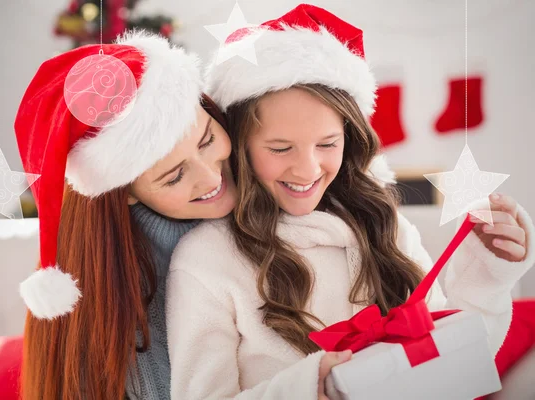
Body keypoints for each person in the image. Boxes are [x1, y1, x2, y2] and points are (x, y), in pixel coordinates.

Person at [166, 5, 535, 399]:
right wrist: (311, 388)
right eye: (280, 148)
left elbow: (454, 369)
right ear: (241, 146)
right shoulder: (206, 260)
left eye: (327, 144)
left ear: (350, 139)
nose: (307, 169)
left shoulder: (381, 222)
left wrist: (486, 276)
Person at [14, 31, 239, 399]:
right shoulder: (122, 292)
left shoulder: (269, 188)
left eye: (208, 140)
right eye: (175, 176)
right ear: (127, 195)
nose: (211, 176)